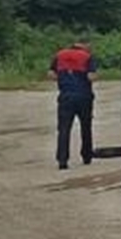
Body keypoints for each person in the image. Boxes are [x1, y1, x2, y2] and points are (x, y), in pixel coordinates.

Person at [49, 38, 99, 170]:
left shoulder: (59, 55)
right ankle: (86, 156)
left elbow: (51, 74)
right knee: (86, 126)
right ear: (84, 45)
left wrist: (64, 78)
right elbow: (91, 76)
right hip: (84, 96)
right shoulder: (87, 57)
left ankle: (62, 160)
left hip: (66, 96)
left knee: (64, 129)